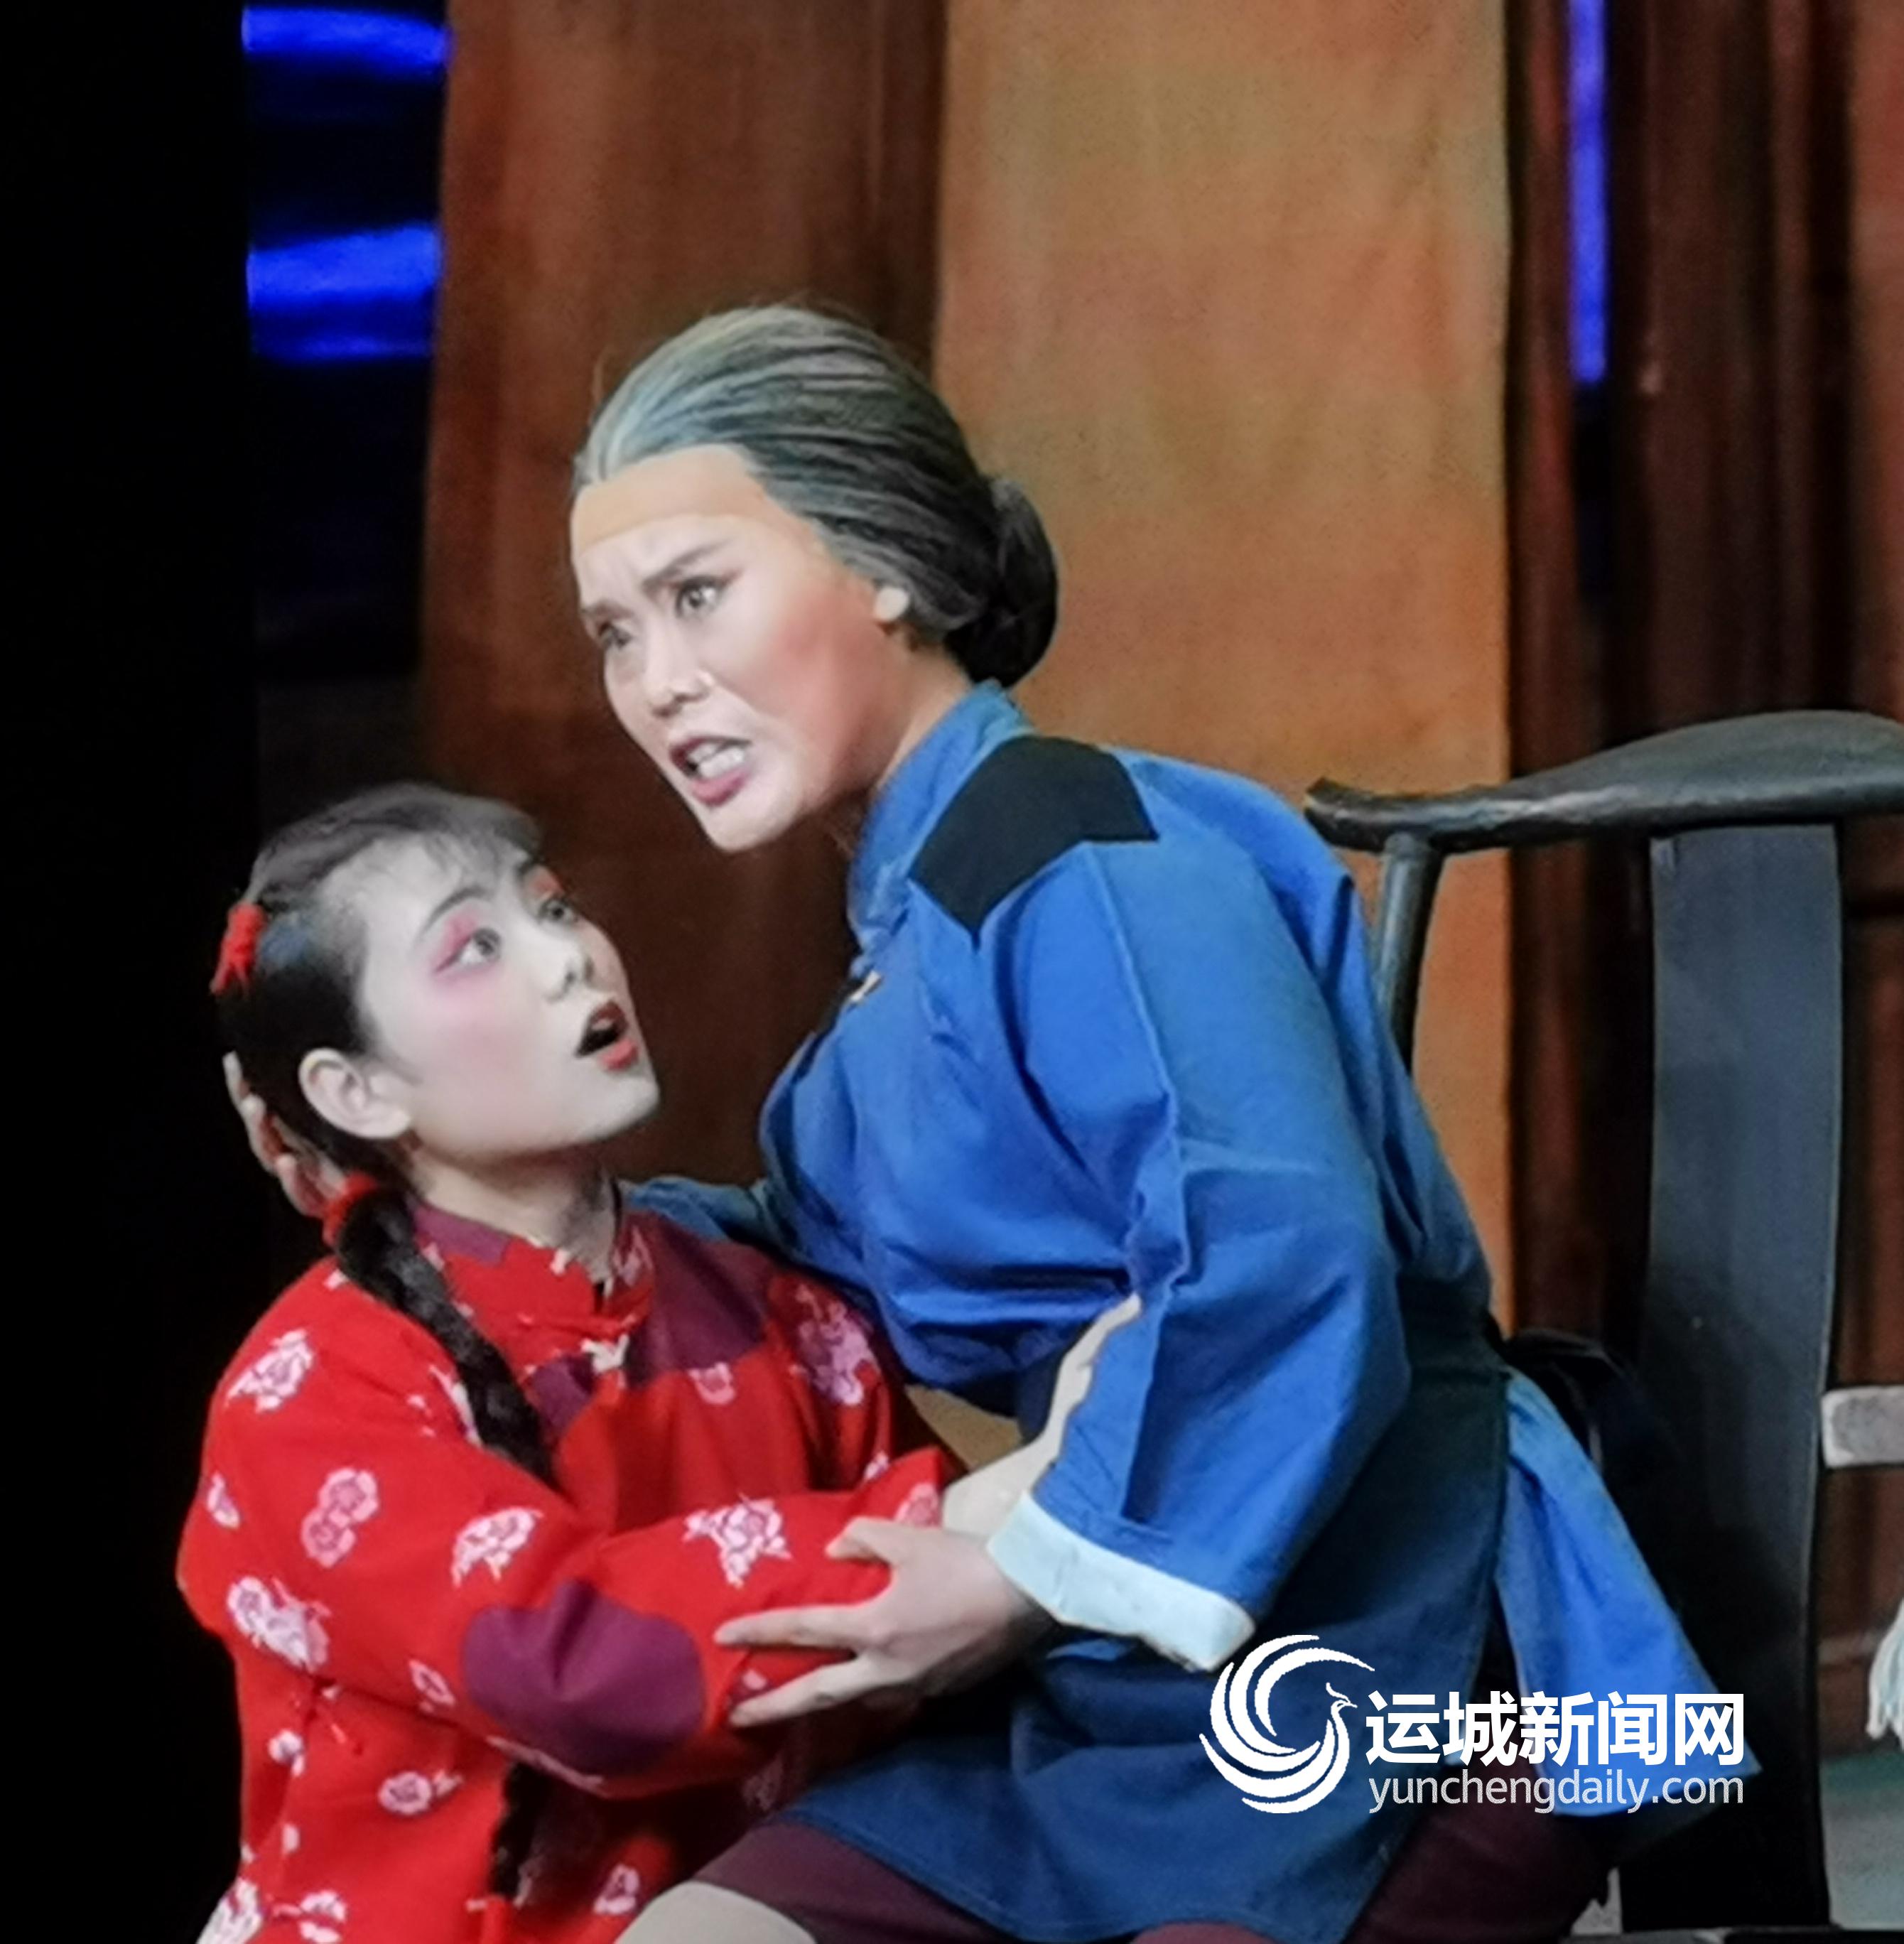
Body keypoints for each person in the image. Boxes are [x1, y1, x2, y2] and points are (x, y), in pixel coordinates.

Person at [230, 307, 1747, 1944]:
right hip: (1127, 1670)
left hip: (1428, 1646)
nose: (658, 685)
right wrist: (456, 1204)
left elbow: (1279, 1252)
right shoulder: (904, 962)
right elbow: (800, 1262)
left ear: (881, 567)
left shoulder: (1080, 862)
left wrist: (1022, 1571)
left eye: (699, 595)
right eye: (616, 633)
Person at [182, 782, 1044, 1944]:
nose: (568, 959)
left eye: (551, 908)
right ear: (358, 1091)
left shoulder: (777, 1312)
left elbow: (951, 1649)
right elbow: (580, 1671)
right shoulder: (312, 1390)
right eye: (475, 947)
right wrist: (1019, 1498)